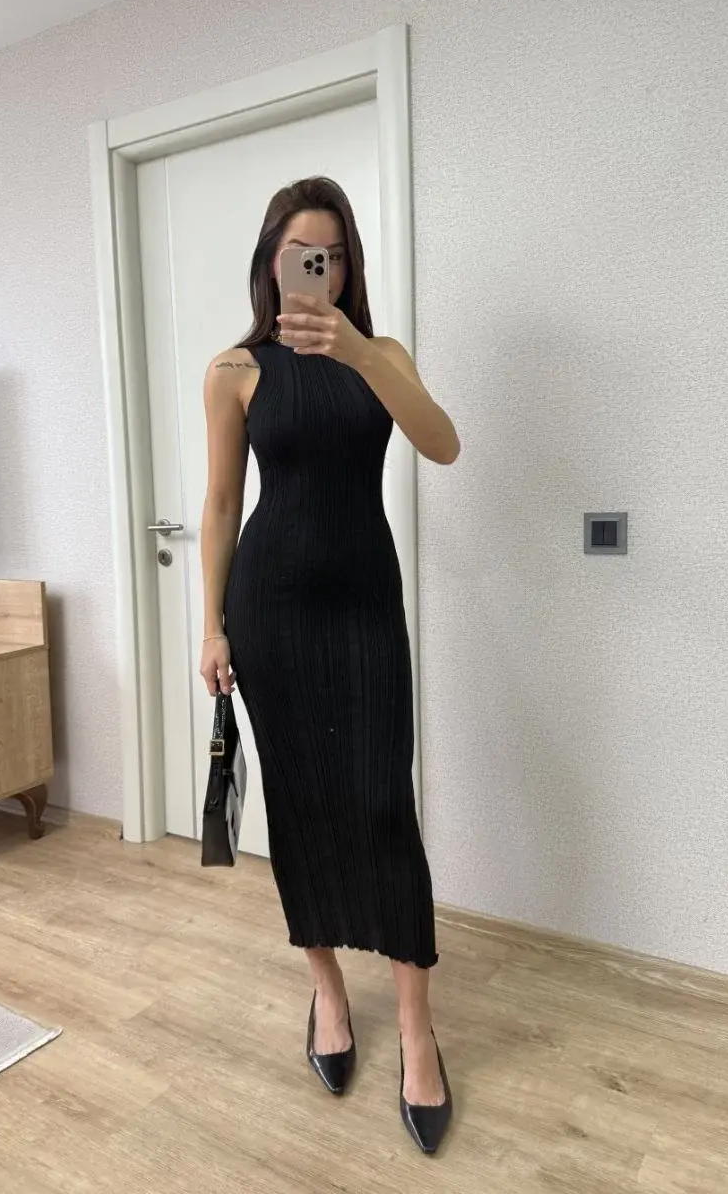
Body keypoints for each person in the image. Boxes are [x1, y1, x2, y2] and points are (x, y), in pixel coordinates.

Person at [199, 176, 460, 1155]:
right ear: (271, 260)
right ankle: (328, 996)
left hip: (364, 607)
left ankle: (419, 1032)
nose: (318, 266)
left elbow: (443, 444)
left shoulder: (381, 355)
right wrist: (212, 625)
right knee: (301, 805)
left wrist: (354, 350)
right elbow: (222, 504)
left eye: (334, 254)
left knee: (384, 807)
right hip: (269, 610)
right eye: (300, 251)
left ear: (348, 266)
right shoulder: (233, 369)